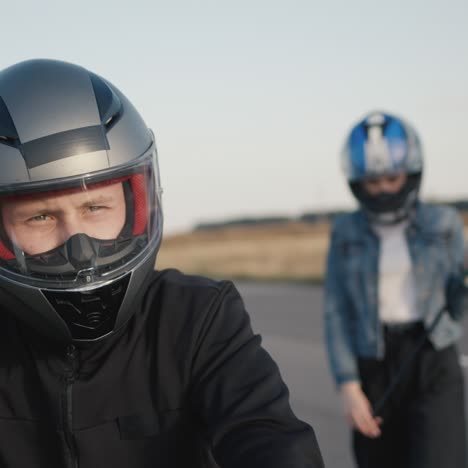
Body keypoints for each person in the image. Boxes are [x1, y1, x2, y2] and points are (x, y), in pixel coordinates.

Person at [0, 59, 324, 468]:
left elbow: (270, 438)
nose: (79, 248)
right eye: (40, 217)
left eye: (96, 206)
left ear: (136, 203)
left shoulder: (197, 318)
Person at [324, 110, 467, 468]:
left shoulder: (444, 223)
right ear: (357, 181)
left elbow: (458, 298)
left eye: (392, 177)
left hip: (433, 357)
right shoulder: (345, 233)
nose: (384, 188)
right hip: (374, 362)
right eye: (373, 181)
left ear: (411, 171)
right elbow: (336, 310)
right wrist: (349, 386)